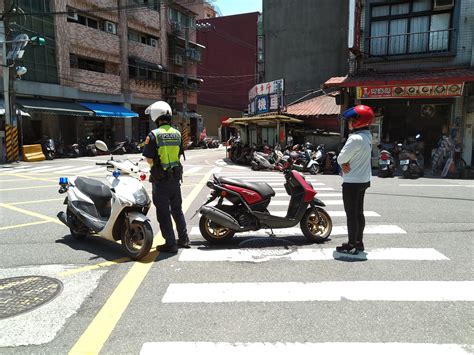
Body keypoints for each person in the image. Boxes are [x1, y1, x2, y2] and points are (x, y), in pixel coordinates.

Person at [142, 101, 189, 254]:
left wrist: (154, 169)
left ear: (156, 117)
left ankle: (170, 243)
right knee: (177, 210)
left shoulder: (153, 135)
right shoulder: (177, 133)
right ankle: (184, 239)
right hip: (175, 179)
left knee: (163, 212)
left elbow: (149, 159)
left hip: (160, 181)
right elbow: (179, 154)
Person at [336, 105, 374, 254]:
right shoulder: (367, 136)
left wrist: (344, 162)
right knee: (359, 213)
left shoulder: (355, 138)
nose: (349, 123)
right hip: (364, 180)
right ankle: (359, 242)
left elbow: (341, 158)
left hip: (352, 181)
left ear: (359, 121)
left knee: (351, 214)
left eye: (352, 120)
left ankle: (351, 244)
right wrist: (346, 161)